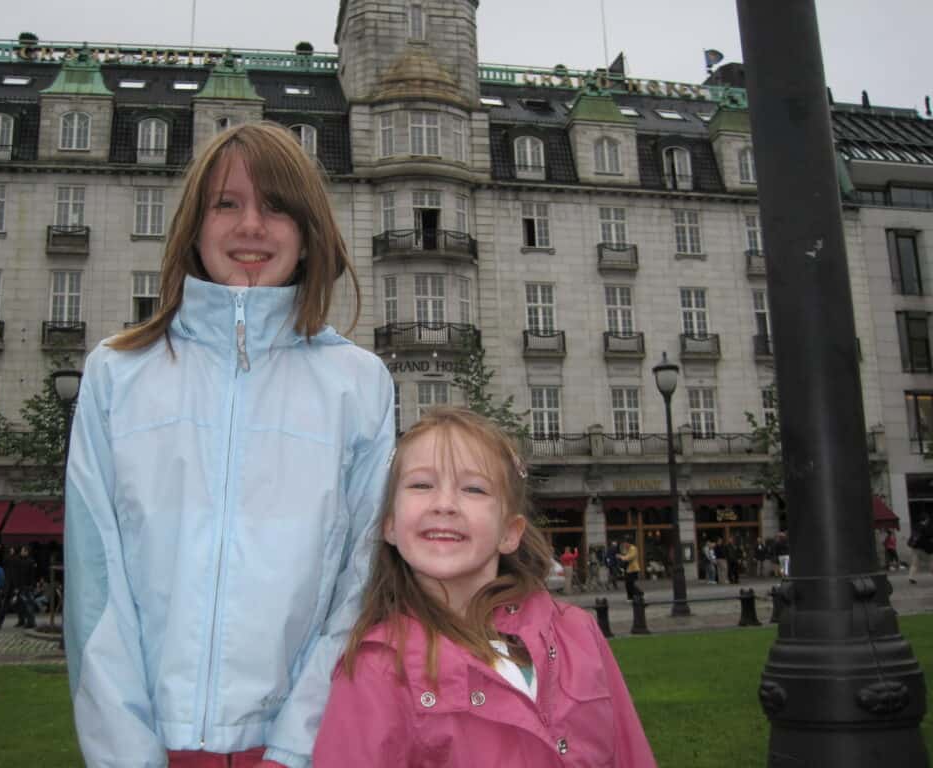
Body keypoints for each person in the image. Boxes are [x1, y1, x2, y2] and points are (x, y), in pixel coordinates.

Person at [64, 122, 395, 768]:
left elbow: (363, 584)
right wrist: (128, 756)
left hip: (299, 748)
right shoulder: (117, 373)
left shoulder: (358, 384)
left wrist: (297, 747)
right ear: (193, 225)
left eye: (275, 207)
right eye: (227, 204)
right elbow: (95, 586)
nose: (251, 226)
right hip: (155, 745)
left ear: (308, 235)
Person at [313, 407, 655, 767]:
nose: (444, 504)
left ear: (510, 532)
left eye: (474, 488)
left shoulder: (577, 633)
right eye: (421, 485)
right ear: (390, 526)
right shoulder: (377, 666)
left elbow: (630, 752)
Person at [908, 511, 933, 584]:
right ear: (926, 519)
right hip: (925, 549)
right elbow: (930, 536)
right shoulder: (925, 528)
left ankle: (911, 577)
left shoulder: (915, 526)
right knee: (931, 562)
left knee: (914, 564)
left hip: (914, 548)